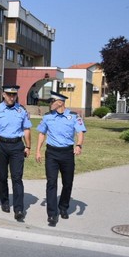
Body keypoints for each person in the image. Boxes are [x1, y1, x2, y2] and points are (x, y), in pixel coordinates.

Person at [36, 91, 86, 226]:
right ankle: (52, 214)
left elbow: (80, 132)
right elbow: (42, 134)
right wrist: (38, 151)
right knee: (51, 182)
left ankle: (63, 207)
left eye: (51, 102)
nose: (49, 105)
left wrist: (79, 145)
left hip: (67, 153)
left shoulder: (74, 116)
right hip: (51, 153)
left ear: (60, 103)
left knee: (67, 182)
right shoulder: (47, 117)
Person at [0, 85, 33, 221]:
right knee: (2, 176)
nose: (12, 97)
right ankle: (5, 201)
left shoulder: (21, 110)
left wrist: (28, 146)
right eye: (9, 94)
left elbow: (27, 129)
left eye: (14, 95)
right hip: (0, 145)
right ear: (3, 94)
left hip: (17, 146)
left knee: (17, 178)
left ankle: (18, 209)